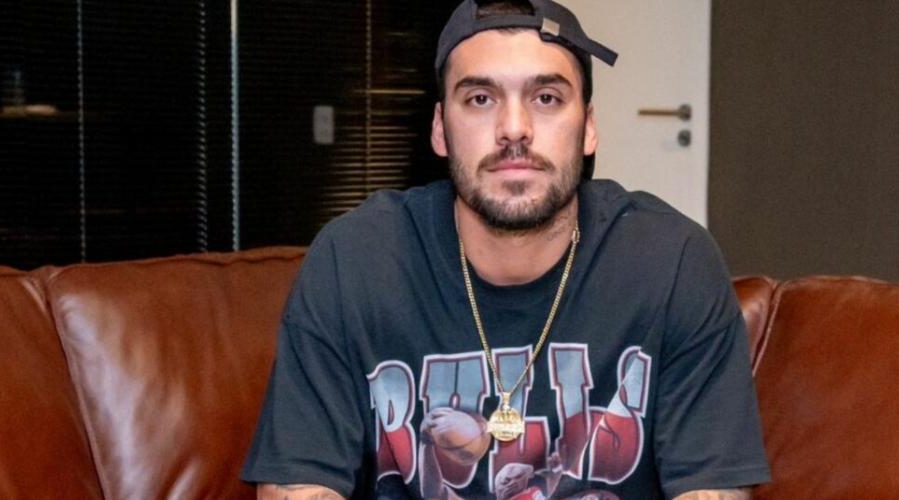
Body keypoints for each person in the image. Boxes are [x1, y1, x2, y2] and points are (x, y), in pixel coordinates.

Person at [241, 0, 771, 498]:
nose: (514, 129)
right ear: (440, 130)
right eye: (480, 99)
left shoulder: (671, 263)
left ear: (588, 127)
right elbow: (299, 483)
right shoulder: (355, 262)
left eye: (546, 98)